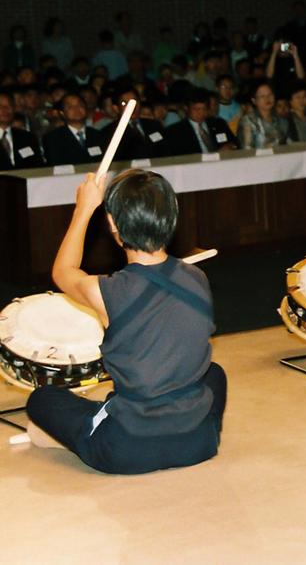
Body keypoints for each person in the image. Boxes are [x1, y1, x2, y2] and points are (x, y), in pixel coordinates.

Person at [25, 169, 226, 474]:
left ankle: (92, 427)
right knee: (214, 373)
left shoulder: (106, 291)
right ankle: (159, 430)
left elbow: (63, 271)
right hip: (199, 442)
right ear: (171, 216)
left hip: (125, 449)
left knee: (42, 399)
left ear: (113, 224)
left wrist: (83, 210)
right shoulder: (198, 278)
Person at [164, 89, 237, 155]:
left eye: (204, 109)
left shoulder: (219, 124)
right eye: (196, 109)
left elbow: (235, 143)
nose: (201, 113)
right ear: (186, 108)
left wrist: (231, 146)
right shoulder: (175, 132)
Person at [41, 92, 103, 166]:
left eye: (80, 105)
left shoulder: (98, 135)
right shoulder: (52, 138)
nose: (76, 109)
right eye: (70, 107)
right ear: (62, 113)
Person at [238, 81, 289, 150]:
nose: (267, 98)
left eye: (270, 95)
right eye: (262, 96)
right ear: (254, 100)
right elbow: (246, 149)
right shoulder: (248, 121)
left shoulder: (282, 120)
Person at [0, 90, 43, 169]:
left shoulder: (28, 138)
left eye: (9, 105)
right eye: (1, 106)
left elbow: (38, 167)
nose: (5, 109)